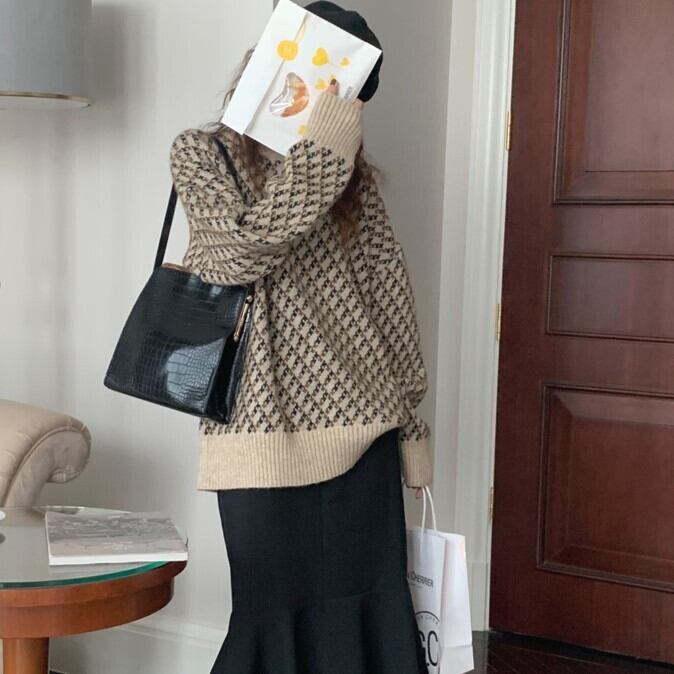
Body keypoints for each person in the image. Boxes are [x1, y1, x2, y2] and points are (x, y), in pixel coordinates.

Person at [169, 3, 433, 671]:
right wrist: (321, 155)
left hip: (365, 438)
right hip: (256, 434)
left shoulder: (354, 184)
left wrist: (413, 432)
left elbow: (391, 309)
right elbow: (236, 255)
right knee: (267, 617)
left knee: (368, 616)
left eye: (346, 96)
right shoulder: (201, 154)